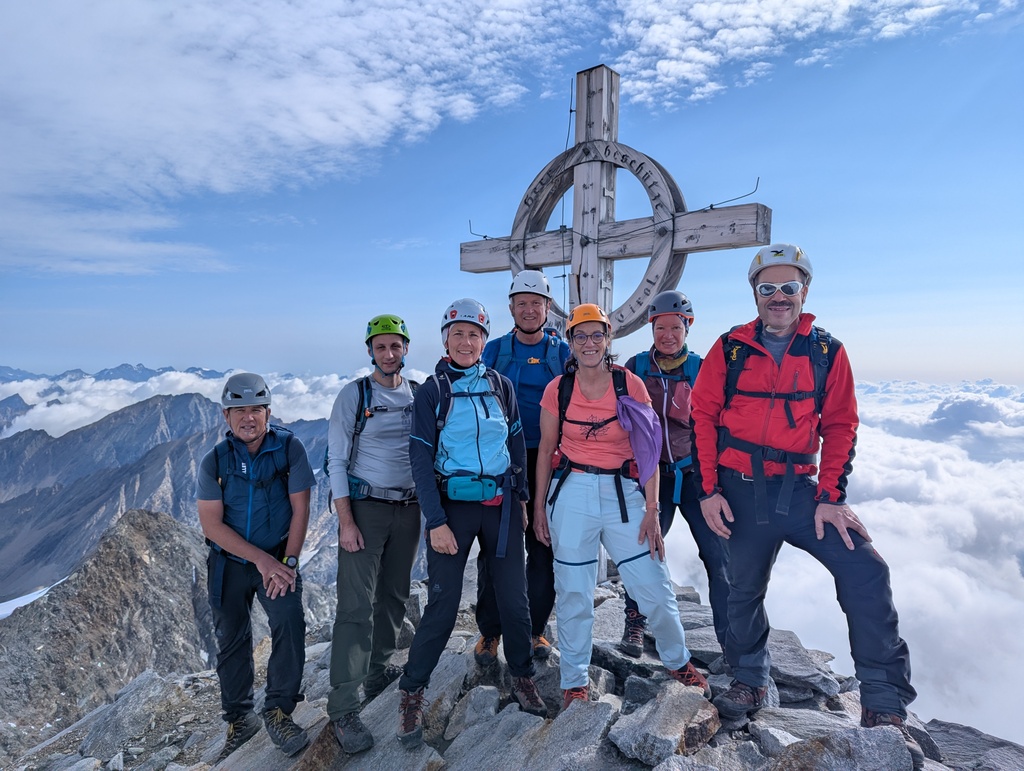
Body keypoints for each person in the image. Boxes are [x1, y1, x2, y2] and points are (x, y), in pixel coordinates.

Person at [691, 244, 923, 768]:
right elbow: (702, 417)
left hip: (800, 492)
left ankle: (883, 702)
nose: (778, 297)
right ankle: (750, 680)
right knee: (741, 589)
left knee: (865, 569)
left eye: (788, 287)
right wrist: (708, 491)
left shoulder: (826, 351)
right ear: (755, 294)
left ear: (805, 291)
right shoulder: (729, 348)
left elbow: (841, 424)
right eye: (767, 288)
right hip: (738, 489)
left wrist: (831, 498)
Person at [533, 303, 711, 711]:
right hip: (572, 491)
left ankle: (677, 660)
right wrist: (539, 508)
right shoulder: (558, 389)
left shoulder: (628, 383)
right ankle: (574, 681)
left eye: (597, 335)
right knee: (574, 593)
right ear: (571, 341)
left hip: (623, 492)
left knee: (654, 586)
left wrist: (652, 508)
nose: (590, 343)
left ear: (608, 339)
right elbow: (545, 450)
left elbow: (648, 449)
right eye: (581, 336)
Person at [396, 298, 547, 748]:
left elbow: (516, 443)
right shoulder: (432, 392)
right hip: (452, 509)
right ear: (445, 340)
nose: (466, 342)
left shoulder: (500, 385)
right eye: (458, 334)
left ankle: (521, 675)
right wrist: (435, 520)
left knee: (514, 599)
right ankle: (412, 691)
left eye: (475, 334)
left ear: (484, 340)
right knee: (443, 604)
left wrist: (521, 498)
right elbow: (420, 459)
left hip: (501, 504)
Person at [196, 373, 314, 760]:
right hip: (230, 562)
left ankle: (278, 711)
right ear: (226, 416)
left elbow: (301, 508)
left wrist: (288, 563)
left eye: (256, 410)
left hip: (279, 555)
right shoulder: (215, 461)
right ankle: (239, 719)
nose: (248, 418)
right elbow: (211, 525)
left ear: (268, 412)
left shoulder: (289, 449)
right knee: (231, 639)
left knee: (289, 622)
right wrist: (260, 560)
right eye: (240, 410)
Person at [326, 315, 422, 754]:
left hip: (409, 508)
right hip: (365, 509)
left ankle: (377, 671)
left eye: (395, 346)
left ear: (406, 348)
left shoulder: (417, 393)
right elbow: (336, 460)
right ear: (370, 351)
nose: (388, 353)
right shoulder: (355, 395)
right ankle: (343, 708)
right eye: (380, 347)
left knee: (395, 595)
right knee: (356, 606)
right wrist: (346, 522)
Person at [621, 291, 730, 657]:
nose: (667, 335)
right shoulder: (636, 368)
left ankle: (731, 637)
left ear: (687, 328)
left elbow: (722, 423)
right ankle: (635, 622)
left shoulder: (702, 369)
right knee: (643, 552)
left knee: (718, 557)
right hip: (654, 479)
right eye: (660, 328)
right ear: (651, 329)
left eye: (675, 328)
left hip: (698, 477)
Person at [475, 269, 570, 664]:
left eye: (536, 303)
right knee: (495, 546)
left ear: (548, 308)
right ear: (511, 308)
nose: (529, 310)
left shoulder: (562, 353)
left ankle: (534, 630)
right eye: (522, 303)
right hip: (501, 460)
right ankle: (490, 632)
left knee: (542, 546)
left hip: (549, 459)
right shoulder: (494, 351)